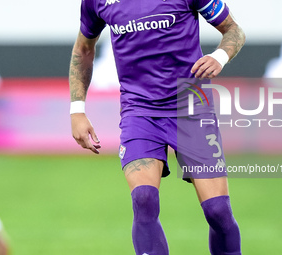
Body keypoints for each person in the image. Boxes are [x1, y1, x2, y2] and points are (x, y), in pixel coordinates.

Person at [69, 0, 245, 254]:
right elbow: (84, 48)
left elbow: (234, 30)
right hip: (139, 111)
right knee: (144, 199)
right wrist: (77, 109)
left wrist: (220, 56)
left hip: (191, 106)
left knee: (217, 211)